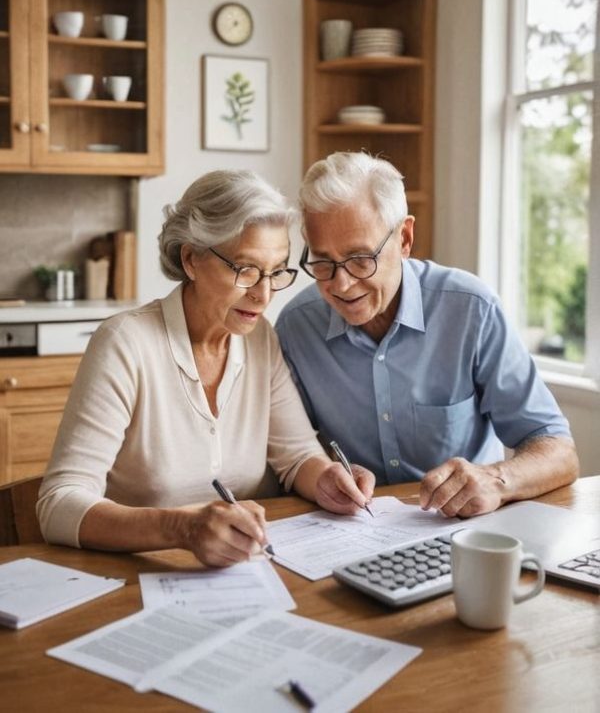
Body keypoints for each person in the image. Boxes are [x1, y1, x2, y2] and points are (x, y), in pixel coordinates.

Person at [37, 169, 375, 567]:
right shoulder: (126, 343)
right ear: (191, 258)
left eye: (276, 271)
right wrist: (182, 529)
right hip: (135, 577)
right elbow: (58, 503)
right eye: (246, 269)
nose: (264, 294)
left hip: (244, 571)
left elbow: (297, 455)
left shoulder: (259, 338)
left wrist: (328, 480)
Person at [276, 152, 579, 519]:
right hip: (355, 530)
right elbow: (293, 451)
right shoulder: (296, 327)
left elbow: (559, 450)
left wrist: (496, 479)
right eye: (323, 262)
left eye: (360, 259)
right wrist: (325, 474)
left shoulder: (470, 309)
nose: (341, 284)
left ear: (404, 238)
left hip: (466, 530)